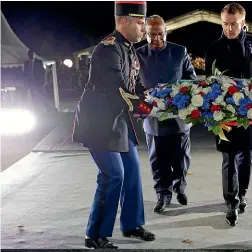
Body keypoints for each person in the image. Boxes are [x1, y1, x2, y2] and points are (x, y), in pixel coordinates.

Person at [72, 1, 155, 249]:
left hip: (118, 119)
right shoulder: (109, 48)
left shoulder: (128, 48)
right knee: (112, 174)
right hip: (100, 121)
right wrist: (148, 105)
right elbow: (119, 88)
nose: (144, 28)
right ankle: (95, 234)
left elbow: (136, 84)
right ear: (123, 22)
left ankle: (131, 224)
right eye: (140, 23)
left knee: (131, 171)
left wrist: (157, 96)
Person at [205, 3, 252, 226]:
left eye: (234, 24)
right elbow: (208, 83)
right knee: (229, 156)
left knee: (247, 155)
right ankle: (230, 202)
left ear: (243, 23)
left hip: (251, 110)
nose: (229, 29)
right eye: (225, 24)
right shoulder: (213, 47)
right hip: (224, 113)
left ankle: (242, 193)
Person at [136, 15, 197, 213]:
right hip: (152, 117)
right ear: (145, 34)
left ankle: (180, 188)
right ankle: (163, 195)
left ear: (166, 32)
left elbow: (191, 79)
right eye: (151, 35)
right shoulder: (137, 54)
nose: (156, 39)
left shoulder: (180, 51)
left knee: (181, 158)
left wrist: (181, 92)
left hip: (178, 115)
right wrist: (141, 94)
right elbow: (132, 84)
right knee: (158, 160)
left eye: (160, 34)